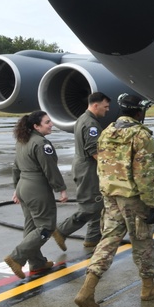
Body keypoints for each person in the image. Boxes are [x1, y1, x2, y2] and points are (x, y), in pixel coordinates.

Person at [74, 93, 154, 307]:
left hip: (111, 196)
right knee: (143, 241)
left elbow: (102, 165)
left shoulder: (107, 131)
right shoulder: (140, 134)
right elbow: (145, 173)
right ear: (139, 111)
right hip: (133, 198)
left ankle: (86, 291)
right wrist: (150, 204)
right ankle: (148, 287)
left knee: (108, 240)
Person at [5, 111, 68, 279]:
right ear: (36, 126)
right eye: (47, 122)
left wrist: (16, 188)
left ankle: (37, 263)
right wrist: (61, 188)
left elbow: (16, 167)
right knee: (46, 227)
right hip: (37, 188)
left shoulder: (22, 141)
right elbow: (50, 169)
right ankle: (17, 257)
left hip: (24, 186)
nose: (51, 124)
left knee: (31, 226)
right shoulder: (41, 144)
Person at [53, 91, 110, 251]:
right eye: (105, 107)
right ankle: (62, 230)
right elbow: (93, 150)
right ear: (95, 105)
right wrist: (110, 168)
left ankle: (92, 239)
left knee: (99, 204)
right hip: (88, 169)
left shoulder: (84, 119)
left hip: (85, 166)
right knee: (90, 206)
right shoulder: (91, 124)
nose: (107, 110)